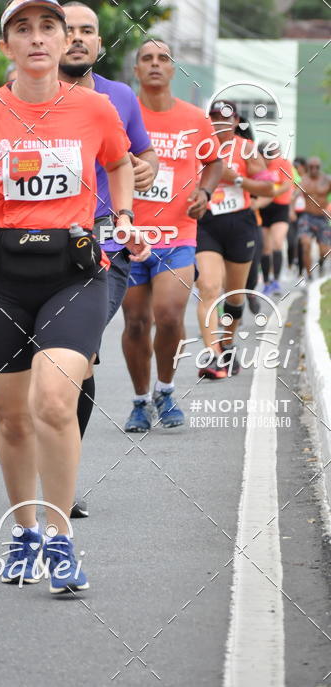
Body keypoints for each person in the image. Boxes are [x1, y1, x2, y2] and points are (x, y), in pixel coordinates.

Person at [0, 0, 150, 595]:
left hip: (74, 272)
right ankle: (24, 532)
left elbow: (118, 162)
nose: (36, 37)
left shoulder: (94, 109)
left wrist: (124, 215)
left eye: (47, 27)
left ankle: (60, 539)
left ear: (63, 42)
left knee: (54, 401)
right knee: (12, 418)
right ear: (5, 45)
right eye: (22, 28)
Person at [58, 1, 158, 517]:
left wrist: (143, 170)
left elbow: (144, 152)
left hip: (105, 251)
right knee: (41, 371)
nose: (77, 38)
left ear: (100, 43)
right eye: (68, 29)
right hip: (32, 248)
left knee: (79, 358)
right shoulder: (24, 98)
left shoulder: (120, 97)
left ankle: (61, 476)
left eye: (87, 32)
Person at [121, 39, 222, 431]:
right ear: (136, 70)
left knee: (168, 314)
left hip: (177, 233)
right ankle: (140, 399)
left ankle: (165, 388)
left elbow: (213, 161)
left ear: (173, 68)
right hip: (130, 235)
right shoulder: (122, 115)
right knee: (134, 323)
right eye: (146, 58)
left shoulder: (196, 118)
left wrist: (205, 191)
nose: (155, 64)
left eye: (163, 58)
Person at [195, 101, 274, 378]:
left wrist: (236, 179)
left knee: (235, 295)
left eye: (224, 117)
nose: (218, 122)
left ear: (236, 120)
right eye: (214, 116)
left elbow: (269, 187)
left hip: (240, 224)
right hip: (206, 223)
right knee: (208, 287)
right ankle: (213, 355)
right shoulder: (198, 146)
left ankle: (227, 343)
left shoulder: (246, 148)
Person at [259, 142, 293, 295]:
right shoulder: (257, 164)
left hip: (280, 207)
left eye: (269, 156)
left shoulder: (282, 163)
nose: (267, 161)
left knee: (278, 242)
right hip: (263, 208)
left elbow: (287, 185)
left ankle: (276, 281)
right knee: (265, 247)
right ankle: (266, 282)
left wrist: (271, 193)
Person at [297, 157, 331, 280]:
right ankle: (309, 275)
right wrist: (290, 209)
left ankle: (321, 262)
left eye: (316, 167)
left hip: (322, 218)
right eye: (311, 167)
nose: (314, 170)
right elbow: (294, 195)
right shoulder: (304, 180)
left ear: (319, 167)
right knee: (305, 244)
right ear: (308, 167)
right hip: (307, 216)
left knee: (324, 250)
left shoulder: (327, 180)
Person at [288, 157, 307, 275]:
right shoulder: (292, 176)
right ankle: (290, 265)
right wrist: (291, 210)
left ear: (303, 166)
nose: (295, 168)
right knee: (291, 241)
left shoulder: (308, 178)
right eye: (294, 166)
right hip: (293, 212)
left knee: (301, 241)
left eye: (297, 166)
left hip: (305, 213)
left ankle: (301, 270)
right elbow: (291, 196)